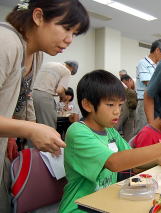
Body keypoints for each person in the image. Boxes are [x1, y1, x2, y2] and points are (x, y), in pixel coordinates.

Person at [58, 70, 161, 212]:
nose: (117, 111)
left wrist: (158, 160)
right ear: (88, 105)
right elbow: (114, 163)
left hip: (104, 201)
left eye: (120, 105)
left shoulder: (110, 131)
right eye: (110, 105)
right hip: (78, 207)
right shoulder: (78, 132)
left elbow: (131, 160)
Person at [0, 0, 89, 211]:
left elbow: (23, 98)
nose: (69, 40)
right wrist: (31, 129)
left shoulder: (36, 54)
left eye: (74, 33)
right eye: (66, 29)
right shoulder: (6, 42)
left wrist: (14, 133)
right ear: (38, 17)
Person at [135, 39, 161, 134]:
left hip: (156, 101)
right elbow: (149, 83)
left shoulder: (158, 65)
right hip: (144, 101)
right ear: (157, 50)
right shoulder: (143, 63)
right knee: (142, 129)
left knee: (154, 130)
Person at [33, 61, 78, 129]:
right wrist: (63, 97)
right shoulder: (66, 71)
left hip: (31, 94)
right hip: (44, 97)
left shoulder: (48, 64)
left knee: (34, 125)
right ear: (71, 68)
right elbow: (59, 90)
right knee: (48, 127)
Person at [116, 74, 137, 141]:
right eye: (124, 84)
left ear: (130, 80)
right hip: (128, 109)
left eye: (126, 83)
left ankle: (128, 145)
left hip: (132, 110)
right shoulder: (129, 90)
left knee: (129, 130)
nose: (126, 85)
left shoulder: (138, 84)